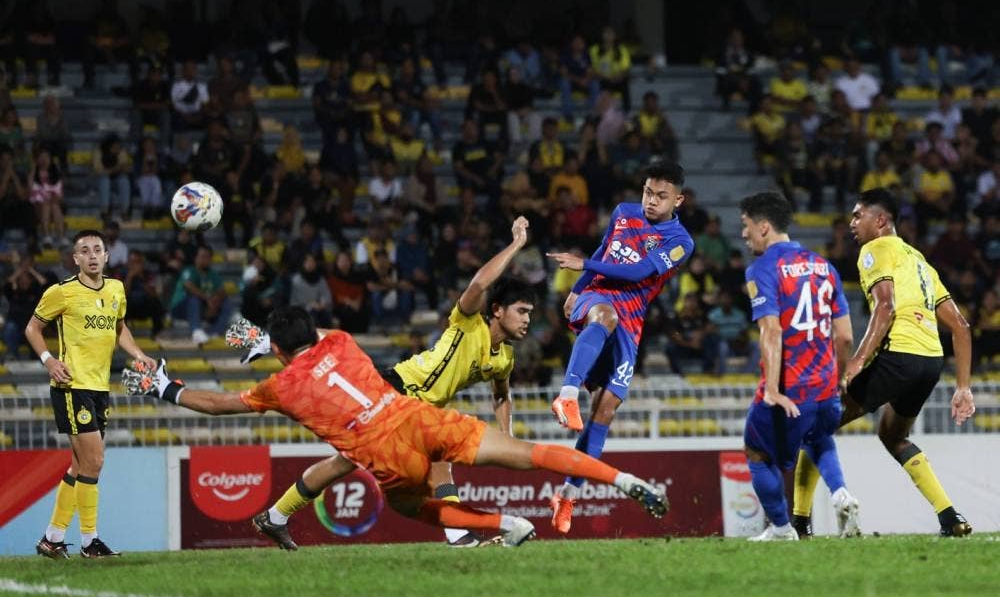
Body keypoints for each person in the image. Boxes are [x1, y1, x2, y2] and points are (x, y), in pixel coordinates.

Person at [123, 306, 667, 550]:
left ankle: (501, 524)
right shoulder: (341, 340)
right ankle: (621, 479)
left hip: (384, 451)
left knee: (411, 506)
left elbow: (218, 405)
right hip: (416, 413)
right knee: (530, 452)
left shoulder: (279, 387)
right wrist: (270, 340)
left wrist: (164, 387)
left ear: (282, 350)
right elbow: (314, 338)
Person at [231, 218, 539, 549]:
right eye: (522, 311)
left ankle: (275, 517)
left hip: (416, 404)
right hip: (397, 388)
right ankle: (459, 535)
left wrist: (507, 437)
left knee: (345, 461)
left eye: (530, 313)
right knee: (437, 454)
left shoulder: (504, 358)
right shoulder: (469, 322)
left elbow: (501, 396)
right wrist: (515, 245)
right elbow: (479, 283)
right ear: (497, 310)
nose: (527, 320)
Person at [791, 188, 975, 537]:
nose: (851, 223)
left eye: (857, 215)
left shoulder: (874, 249)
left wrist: (857, 360)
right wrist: (963, 387)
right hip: (929, 362)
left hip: (898, 355)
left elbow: (885, 307)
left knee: (815, 425)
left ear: (880, 221)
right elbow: (961, 327)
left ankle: (798, 524)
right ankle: (950, 517)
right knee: (894, 435)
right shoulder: (919, 261)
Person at [544, 162, 694, 534]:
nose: (651, 201)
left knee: (605, 410)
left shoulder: (681, 242)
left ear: (678, 200)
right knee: (605, 316)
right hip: (599, 296)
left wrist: (583, 264)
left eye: (661, 196)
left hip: (633, 318)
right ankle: (567, 394)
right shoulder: (623, 213)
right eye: (648, 192)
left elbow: (640, 272)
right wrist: (578, 289)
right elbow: (605, 248)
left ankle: (567, 496)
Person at [27, 230, 157, 559]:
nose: (92, 255)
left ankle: (52, 538)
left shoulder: (116, 289)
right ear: (76, 259)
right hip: (72, 386)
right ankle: (90, 541)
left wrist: (138, 354)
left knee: (80, 465)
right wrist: (49, 361)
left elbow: (119, 327)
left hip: (99, 387)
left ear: (107, 255)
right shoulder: (62, 292)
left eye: (97, 249)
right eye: (84, 251)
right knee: (95, 461)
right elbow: (33, 328)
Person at [738, 192, 860, 541]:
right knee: (819, 438)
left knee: (756, 451)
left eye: (746, 226)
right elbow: (845, 336)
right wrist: (838, 379)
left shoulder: (762, 269)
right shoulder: (824, 266)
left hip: (790, 388)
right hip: (825, 387)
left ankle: (780, 528)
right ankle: (842, 495)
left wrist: (773, 389)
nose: (743, 234)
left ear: (764, 227)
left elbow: (771, 330)